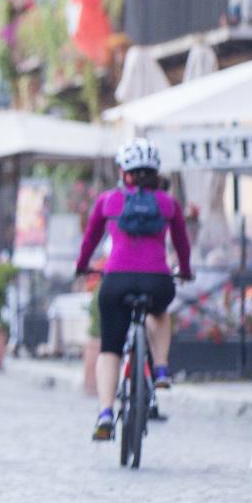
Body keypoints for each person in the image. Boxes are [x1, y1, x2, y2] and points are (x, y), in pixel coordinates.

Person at [75, 137, 194, 441]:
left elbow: (90, 239)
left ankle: (104, 412)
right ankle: (163, 368)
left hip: (116, 281)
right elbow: (182, 244)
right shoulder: (168, 203)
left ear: (123, 171)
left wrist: (81, 266)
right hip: (157, 281)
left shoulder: (108, 201)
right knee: (159, 311)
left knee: (110, 348)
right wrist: (186, 270)